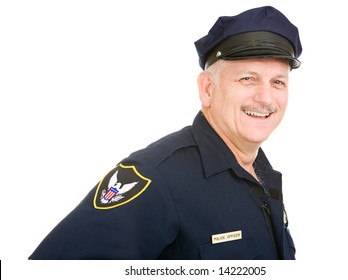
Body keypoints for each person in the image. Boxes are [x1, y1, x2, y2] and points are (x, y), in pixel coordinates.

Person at [29, 5, 302, 260]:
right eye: (247, 79)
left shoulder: (260, 172)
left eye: (278, 82)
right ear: (207, 89)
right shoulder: (156, 177)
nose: (266, 97)